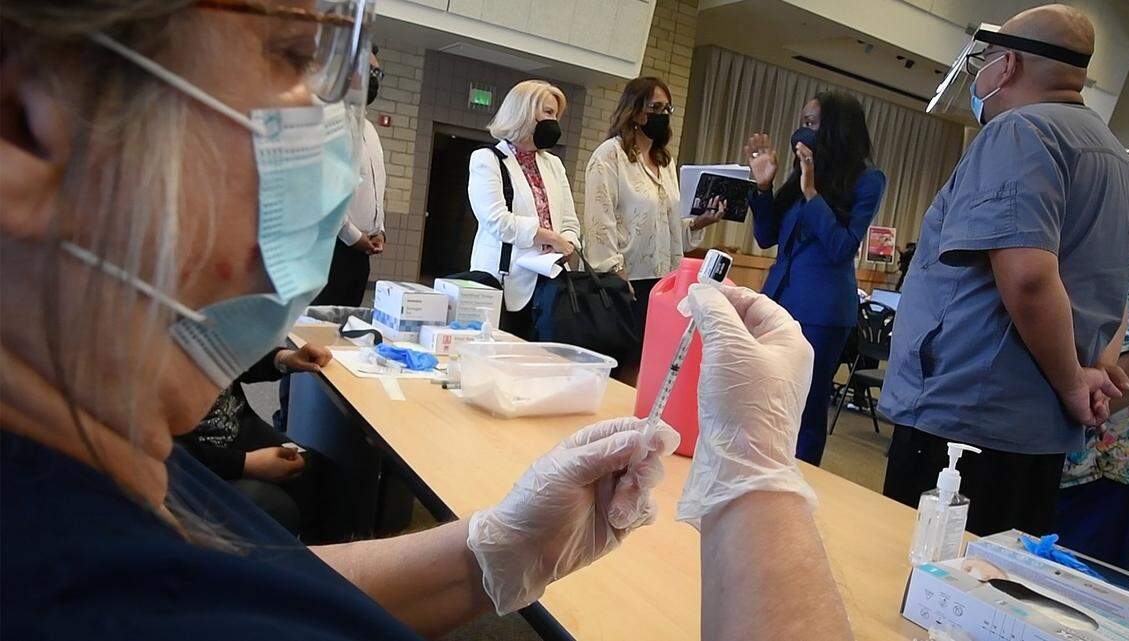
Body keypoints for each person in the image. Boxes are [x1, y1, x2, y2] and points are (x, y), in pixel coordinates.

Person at [2, 3, 857, 639]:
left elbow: (231, 583)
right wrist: (753, 481)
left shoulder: (90, 472)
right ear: (27, 129)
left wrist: (485, 554)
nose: (329, 122)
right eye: (293, 54)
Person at [879, 4, 1129, 537]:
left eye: (987, 60)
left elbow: (1028, 277)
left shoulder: (1020, 133)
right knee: (992, 590)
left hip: (967, 418)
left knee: (915, 580)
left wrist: (1072, 384)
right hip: (1038, 430)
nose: (982, 75)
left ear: (1010, 65)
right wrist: (1090, 372)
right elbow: (1111, 289)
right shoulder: (1116, 156)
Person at [742, 92, 887, 465]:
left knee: (805, 402)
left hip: (822, 311)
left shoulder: (867, 180)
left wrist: (811, 194)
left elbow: (841, 247)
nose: (802, 131)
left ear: (837, 128)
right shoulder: (803, 171)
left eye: (812, 123)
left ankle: (798, 479)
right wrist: (763, 188)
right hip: (777, 298)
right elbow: (767, 237)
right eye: (802, 121)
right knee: (764, 394)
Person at [583, 76, 724, 347]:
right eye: (655, 108)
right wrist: (616, 275)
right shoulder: (610, 156)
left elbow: (666, 225)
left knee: (650, 359)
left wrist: (697, 223)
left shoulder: (665, 161)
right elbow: (599, 222)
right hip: (626, 280)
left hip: (664, 280)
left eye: (667, 109)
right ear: (635, 111)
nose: (662, 115)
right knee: (621, 360)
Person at [177, 344, 337, 541]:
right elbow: (166, 448)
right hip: (191, 462)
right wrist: (246, 464)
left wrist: (284, 358)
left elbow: (234, 356)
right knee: (275, 507)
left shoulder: (203, 327)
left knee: (314, 469)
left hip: (236, 426)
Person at [467, 79, 579, 340]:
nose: (555, 122)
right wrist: (551, 238)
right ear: (524, 112)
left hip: (550, 282)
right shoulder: (487, 159)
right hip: (505, 283)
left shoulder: (554, 164)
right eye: (549, 113)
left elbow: (571, 223)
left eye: (557, 115)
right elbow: (497, 221)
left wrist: (568, 243)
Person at [1054, 241, 1129, 570]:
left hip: (1103, 458)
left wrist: (1085, 405)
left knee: (1074, 586)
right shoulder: (1118, 240)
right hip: (1065, 448)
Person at [313, 47, 387, 307]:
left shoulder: (369, 129)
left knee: (346, 334)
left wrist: (380, 231)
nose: (375, 78)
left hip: (360, 254)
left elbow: (376, 189)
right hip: (330, 250)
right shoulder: (328, 123)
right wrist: (354, 237)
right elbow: (325, 194)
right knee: (318, 334)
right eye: (369, 71)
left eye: (378, 72)